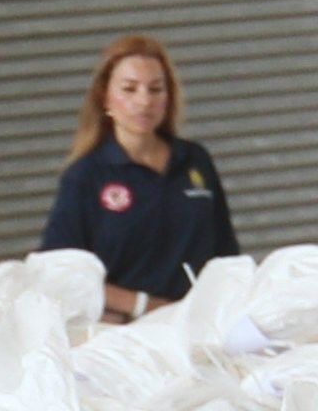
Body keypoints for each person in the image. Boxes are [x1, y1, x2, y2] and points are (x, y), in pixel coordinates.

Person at [37, 33, 237, 317]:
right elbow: (58, 272)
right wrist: (144, 305)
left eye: (155, 89)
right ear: (105, 97)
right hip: (122, 332)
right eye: (129, 89)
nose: (144, 101)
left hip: (198, 324)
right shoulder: (86, 176)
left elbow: (226, 254)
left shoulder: (194, 161)